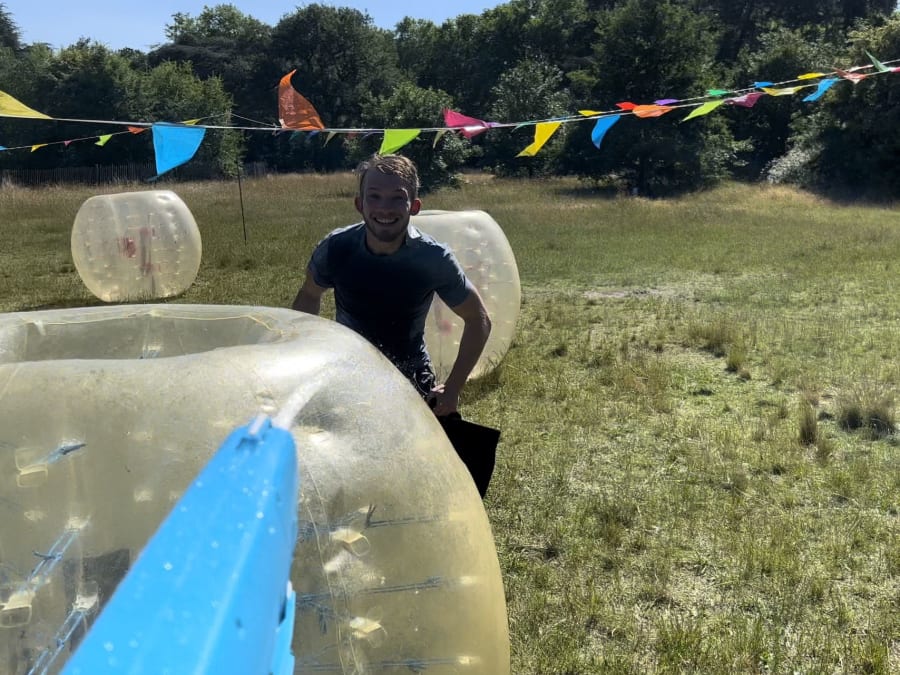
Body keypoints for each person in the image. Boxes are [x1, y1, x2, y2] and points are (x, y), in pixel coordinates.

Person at [292, 154, 492, 417]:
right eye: (374, 196)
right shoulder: (337, 248)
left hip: (411, 375)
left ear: (414, 206)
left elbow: (478, 319)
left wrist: (453, 387)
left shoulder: (432, 258)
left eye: (397, 198)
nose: (384, 208)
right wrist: (302, 358)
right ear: (359, 204)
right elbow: (308, 296)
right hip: (347, 373)